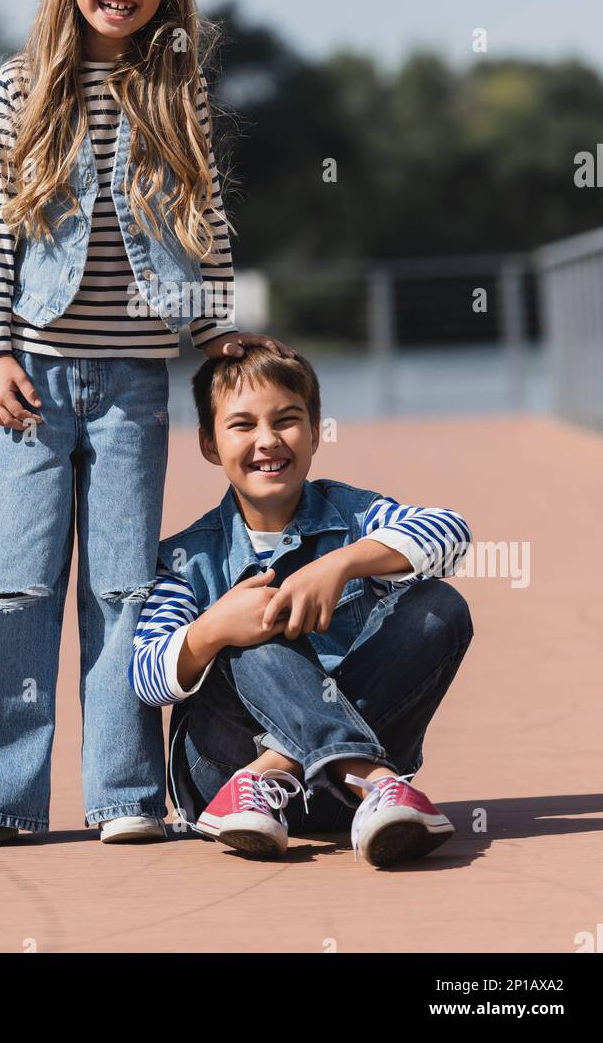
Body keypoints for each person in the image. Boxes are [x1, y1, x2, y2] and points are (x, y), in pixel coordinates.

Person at [0, 0, 296, 850]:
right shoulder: (24, 84)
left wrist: (219, 329)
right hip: (35, 380)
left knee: (124, 587)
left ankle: (125, 790)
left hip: (134, 382)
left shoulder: (177, 91)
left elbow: (208, 223)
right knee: (9, 582)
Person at [129, 345, 474, 866]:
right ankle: (366, 780)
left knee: (438, 606)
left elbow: (453, 532)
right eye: (242, 425)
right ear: (208, 443)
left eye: (287, 421)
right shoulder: (186, 557)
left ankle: (280, 767)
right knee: (247, 628)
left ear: (315, 432)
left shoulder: (352, 513)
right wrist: (211, 630)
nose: (267, 441)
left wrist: (340, 565)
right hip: (228, 784)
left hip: (340, 803)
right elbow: (145, 675)